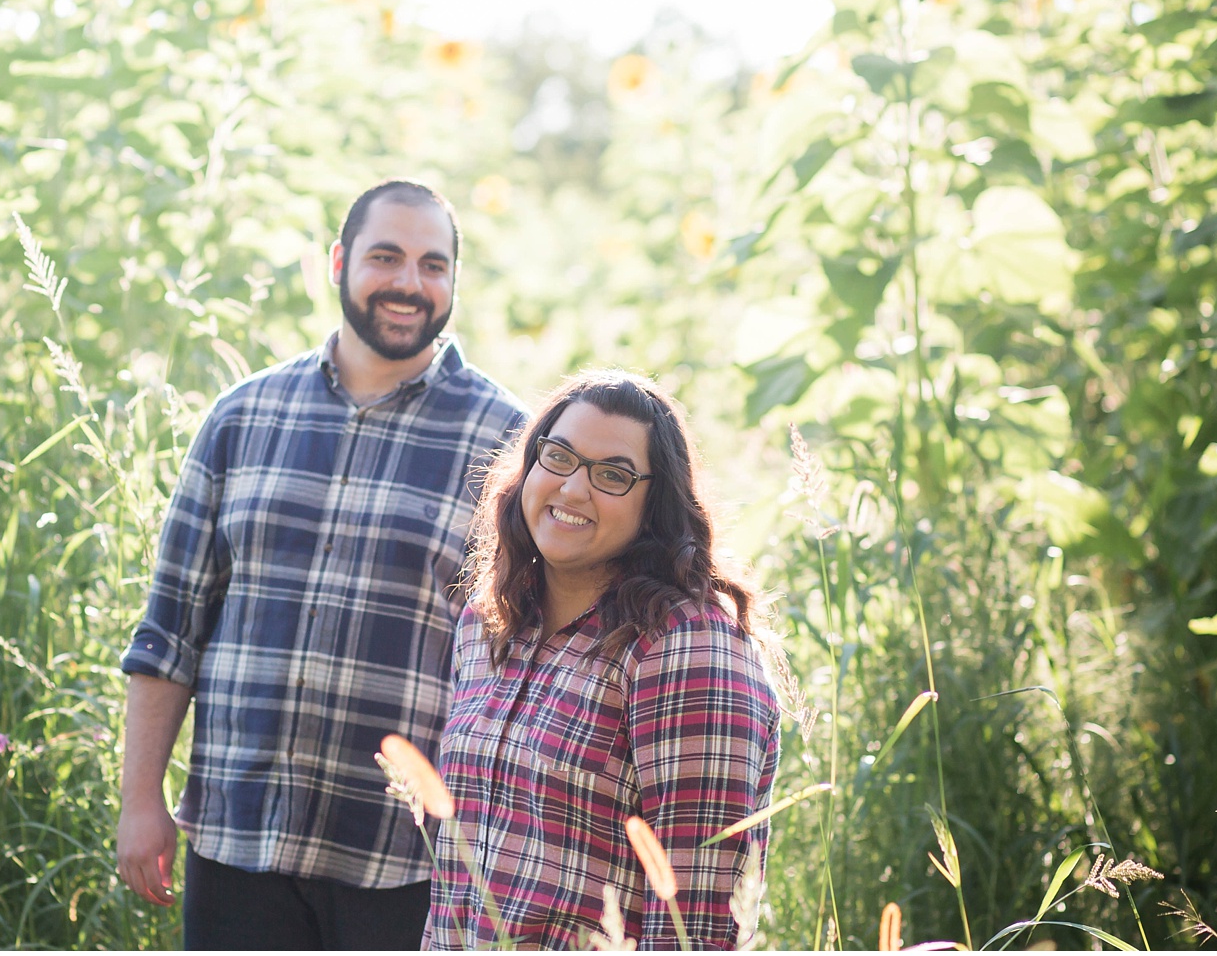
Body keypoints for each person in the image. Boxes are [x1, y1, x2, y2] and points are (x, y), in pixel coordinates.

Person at [115, 179, 527, 949]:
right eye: (385, 256)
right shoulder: (242, 416)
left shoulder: (508, 442)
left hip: (405, 859)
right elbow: (171, 628)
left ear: (454, 283)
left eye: (433, 265)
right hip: (237, 837)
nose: (409, 283)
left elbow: (529, 657)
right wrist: (142, 798)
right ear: (339, 261)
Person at [422, 370, 781, 951]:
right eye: (558, 457)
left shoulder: (686, 649)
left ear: (655, 506)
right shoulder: (488, 623)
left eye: (612, 474)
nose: (571, 489)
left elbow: (700, 919)